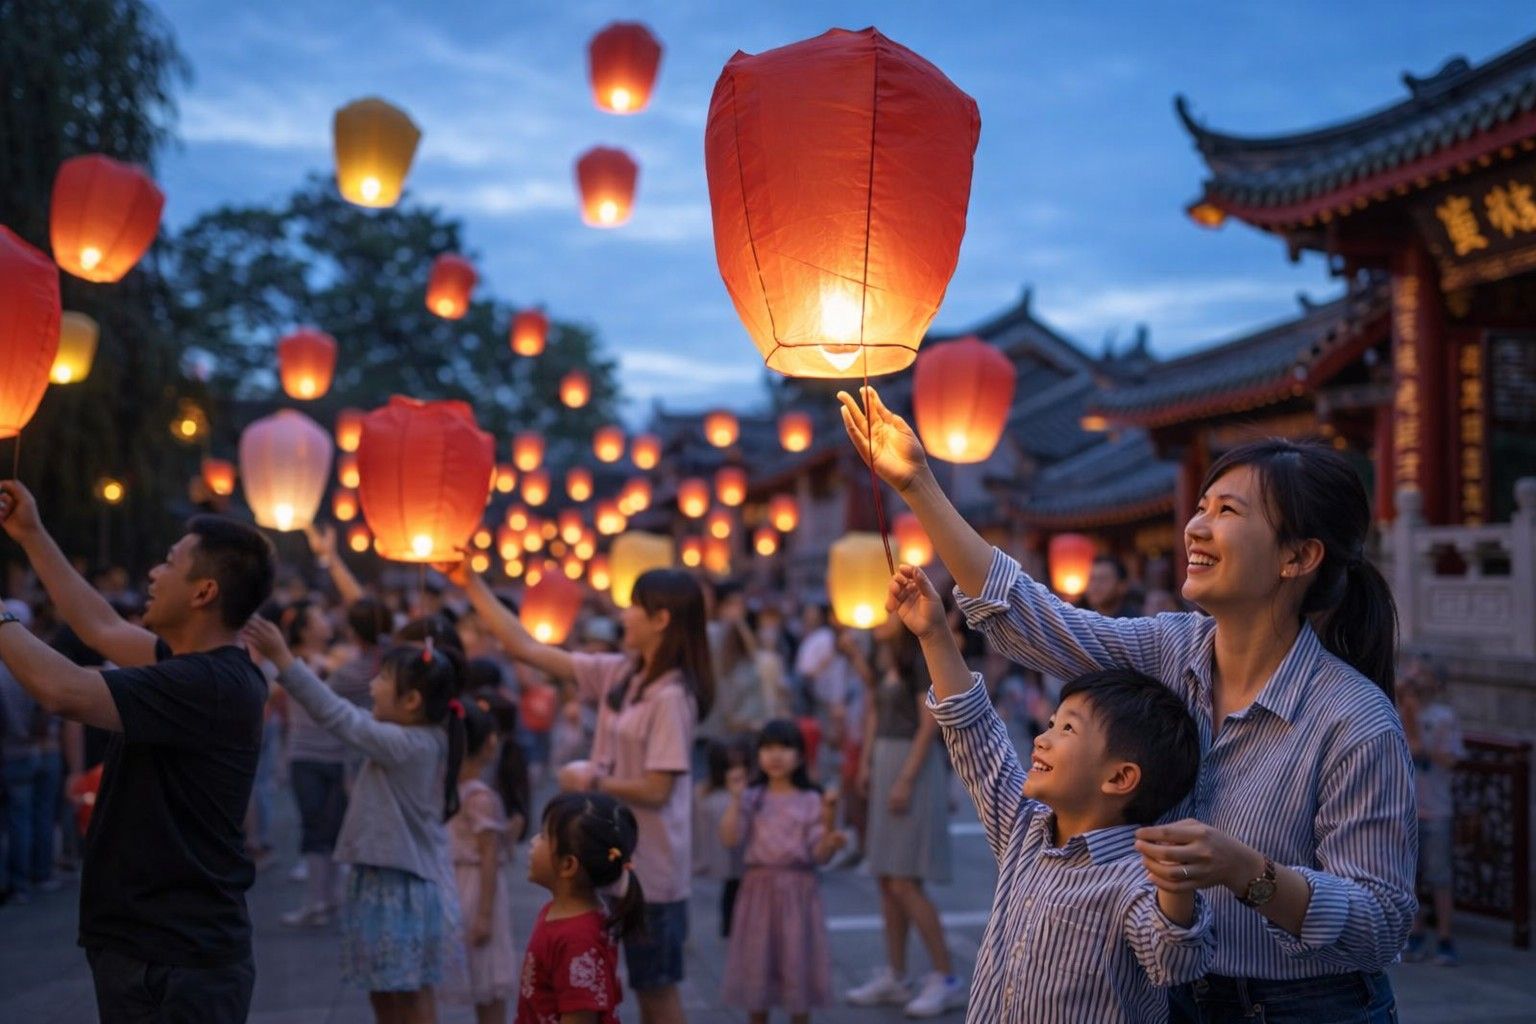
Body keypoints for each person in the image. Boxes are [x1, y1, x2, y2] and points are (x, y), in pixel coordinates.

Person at [841, 388, 1416, 1023]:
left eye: (1228, 511)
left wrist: (1247, 872)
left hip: (1307, 1008)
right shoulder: (1171, 647)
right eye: (1200, 507)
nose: (1196, 527)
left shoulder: (1352, 720)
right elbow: (1035, 619)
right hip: (1171, 1001)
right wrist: (919, 484)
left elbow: (1382, 922)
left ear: (1299, 557)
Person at [0, 480, 274, 1023]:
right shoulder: (189, 664)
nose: (153, 573)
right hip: (150, 948)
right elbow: (98, 626)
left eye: (170, 563)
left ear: (203, 592)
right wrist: (32, 535)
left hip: (178, 962)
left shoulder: (210, 682)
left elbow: (65, 691)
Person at [891, 564, 1213, 1021]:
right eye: (1050, 723)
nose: (1042, 739)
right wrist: (935, 635)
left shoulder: (1134, 878)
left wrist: (1176, 885)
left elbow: (1175, 959)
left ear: (1119, 778)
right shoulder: (1025, 829)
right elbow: (975, 732)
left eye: (1067, 729)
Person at [456, 565, 712, 1024]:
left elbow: (658, 788)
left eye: (635, 605)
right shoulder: (621, 673)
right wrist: (470, 581)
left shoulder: (672, 697)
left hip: (652, 870)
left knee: (656, 991)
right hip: (609, 863)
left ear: (662, 619)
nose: (624, 614)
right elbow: (526, 647)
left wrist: (592, 781)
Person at [242, 617, 466, 1024]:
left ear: (412, 700)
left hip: (400, 884)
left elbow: (338, 716)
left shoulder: (408, 744)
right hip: (385, 879)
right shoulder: (414, 737)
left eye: (382, 678)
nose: (373, 685)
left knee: (407, 994)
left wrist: (285, 661)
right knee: (384, 990)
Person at [845, 619, 960, 1017]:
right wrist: (866, 762)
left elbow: (929, 722)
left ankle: (945, 975)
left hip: (912, 761)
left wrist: (906, 778)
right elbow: (876, 707)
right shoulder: (882, 655)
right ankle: (896, 973)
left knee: (904, 879)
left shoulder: (917, 656)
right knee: (886, 877)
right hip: (887, 759)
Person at [719, 718, 847, 1023]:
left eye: (784, 748)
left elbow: (820, 854)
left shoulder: (811, 799)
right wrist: (736, 798)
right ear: (758, 756)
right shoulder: (751, 797)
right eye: (768, 748)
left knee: (797, 974)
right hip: (757, 891)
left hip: (797, 892)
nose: (775, 756)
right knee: (756, 976)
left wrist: (831, 836)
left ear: (800, 756)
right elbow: (729, 837)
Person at [517, 791, 644, 1024]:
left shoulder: (577, 938)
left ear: (568, 865)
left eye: (544, 836)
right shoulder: (559, 912)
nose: (534, 842)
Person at [276, 599, 354, 927]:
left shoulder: (343, 659)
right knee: (313, 827)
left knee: (335, 829)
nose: (326, 621)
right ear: (306, 629)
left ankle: (331, 901)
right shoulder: (288, 662)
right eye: (319, 617)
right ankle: (315, 902)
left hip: (338, 755)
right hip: (304, 755)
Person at [445, 702, 522, 1023]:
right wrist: (486, 915)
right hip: (477, 889)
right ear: (489, 743)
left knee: (477, 972)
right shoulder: (480, 797)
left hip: (453, 884)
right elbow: (489, 854)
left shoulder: (449, 791)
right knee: (488, 979)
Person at [1399, 656, 1464, 966]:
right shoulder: (1400, 711)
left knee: (1439, 876)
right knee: (1408, 876)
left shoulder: (1444, 716)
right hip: (1407, 809)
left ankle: (1446, 938)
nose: (1414, 678)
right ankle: (1415, 934)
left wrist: (1424, 749)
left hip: (1436, 809)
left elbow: (1450, 759)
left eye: (1421, 673)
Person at [0, 598, 64, 904]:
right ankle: (34, 878)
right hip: (34, 750)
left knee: (15, 822)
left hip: (10, 752)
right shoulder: (28, 669)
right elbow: (44, 711)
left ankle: (15, 883)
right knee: (32, 817)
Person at [693, 737, 751, 937]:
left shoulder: (707, 793)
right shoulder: (709, 793)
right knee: (734, 887)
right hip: (734, 853)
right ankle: (730, 926)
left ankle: (730, 927)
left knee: (734, 887)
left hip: (736, 854)